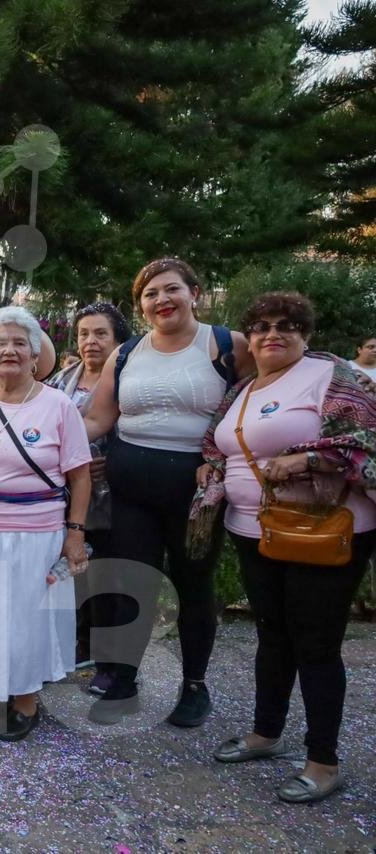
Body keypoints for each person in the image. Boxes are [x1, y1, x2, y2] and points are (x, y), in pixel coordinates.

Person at [194, 293, 376, 803]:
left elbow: (365, 442)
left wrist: (307, 461)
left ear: (306, 334)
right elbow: (218, 441)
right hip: (253, 529)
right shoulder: (245, 388)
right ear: (249, 337)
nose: (274, 334)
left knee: (315, 644)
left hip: (323, 530)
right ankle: (266, 733)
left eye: (287, 326)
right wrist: (209, 465)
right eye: (262, 327)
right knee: (273, 635)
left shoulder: (333, 376)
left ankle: (323, 761)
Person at [82, 257, 251, 727]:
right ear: (141, 306)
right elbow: (98, 417)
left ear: (193, 292)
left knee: (194, 584)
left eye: (171, 289)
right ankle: (124, 679)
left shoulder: (226, 344)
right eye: (150, 294)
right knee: (131, 581)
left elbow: (260, 394)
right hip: (130, 483)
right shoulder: (127, 353)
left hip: (196, 491)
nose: (162, 300)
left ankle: (194, 686)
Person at [0, 306, 91, 741]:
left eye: (19, 343)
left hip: (37, 533)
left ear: (34, 354)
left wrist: (75, 535)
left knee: (26, 617)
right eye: (1, 343)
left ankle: (25, 700)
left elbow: (80, 475)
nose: (10, 350)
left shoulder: (58, 405)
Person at [46, 302, 132, 691]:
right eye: (83, 333)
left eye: (100, 333)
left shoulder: (128, 381)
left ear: (118, 340)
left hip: (114, 495)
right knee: (69, 573)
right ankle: (75, 646)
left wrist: (112, 462)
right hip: (66, 495)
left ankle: (112, 663)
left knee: (108, 576)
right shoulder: (62, 379)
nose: (90, 341)